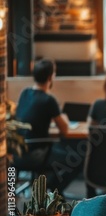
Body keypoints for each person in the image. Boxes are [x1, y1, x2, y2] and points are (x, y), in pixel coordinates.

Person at [13, 58, 81, 193]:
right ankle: (53, 187)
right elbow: (65, 129)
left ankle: (45, 189)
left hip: (17, 153)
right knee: (77, 159)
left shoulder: (25, 93)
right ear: (51, 77)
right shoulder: (49, 99)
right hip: (36, 155)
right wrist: (64, 118)